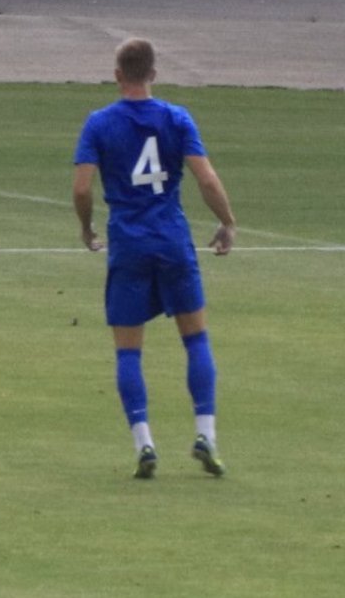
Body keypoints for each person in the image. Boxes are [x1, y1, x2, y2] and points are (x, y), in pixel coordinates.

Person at [72, 37, 237, 479]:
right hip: (172, 240)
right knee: (196, 339)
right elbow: (206, 178)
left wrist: (86, 227)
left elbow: (82, 188)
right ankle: (206, 435)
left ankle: (144, 443)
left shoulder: (99, 123)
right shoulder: (176, 118)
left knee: (128, 351)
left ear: (117, 75)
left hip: (128, 243)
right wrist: (227, 221)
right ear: (153, 74)